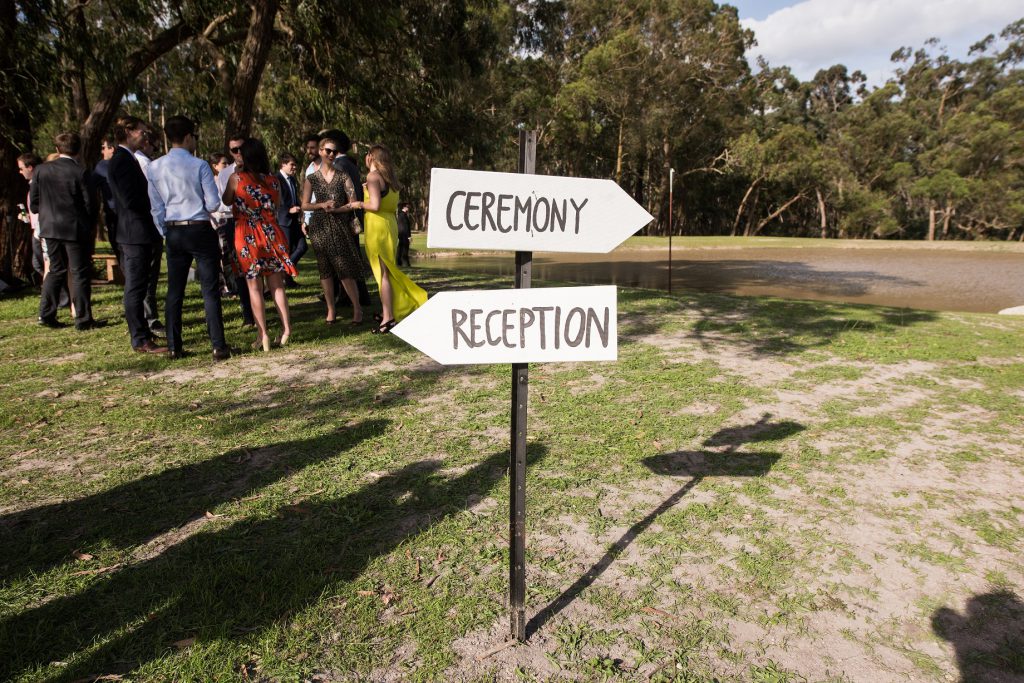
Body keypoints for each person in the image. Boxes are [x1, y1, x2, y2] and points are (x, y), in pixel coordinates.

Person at [147, 115, 229, 361]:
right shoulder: (199, 165)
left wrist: (165, 229)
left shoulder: (154, 167)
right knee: (209, 288)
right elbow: (214, 202)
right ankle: (218, 345)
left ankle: (174, 346)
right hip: (199, 226)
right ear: (187, 137)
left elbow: (156, 206)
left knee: (175, 290)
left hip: (173, 229)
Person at [222, 137, 296, 351]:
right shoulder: (273, 180)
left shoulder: (237, 178)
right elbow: (278, 203)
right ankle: (286, 329)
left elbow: (226, 201)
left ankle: (262, 335)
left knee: (254, 287)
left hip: (246, 234)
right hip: (272, 232)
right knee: (277, 285)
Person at [346, 144, 425, 333]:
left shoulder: (373, 177)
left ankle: (389, 317)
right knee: (386, 271)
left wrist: (357, 203)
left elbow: (374, 205)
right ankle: (387, 311)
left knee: (383, 274)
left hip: (377, 227)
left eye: (367, 155)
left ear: (371, 157)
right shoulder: (391, 179)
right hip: (390, 225)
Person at [29, 132, 102, 330]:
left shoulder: (41, 170)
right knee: (78, 273)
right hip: (74, 229)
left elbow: (34, 202)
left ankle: (46, 313)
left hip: (50, 228)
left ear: (57, 149)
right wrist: (89, 224)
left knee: (56, 269)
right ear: (79, 150)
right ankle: (83, 318)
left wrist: (43, 213)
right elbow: (90, 204)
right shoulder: (80, 172)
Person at [108, 116, 167, 353]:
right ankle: (140, 338)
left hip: (139, 231)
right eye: (142, 132)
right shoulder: (121, 160)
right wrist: (153, 203)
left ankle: (142, 333)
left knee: (141, 286)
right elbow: (129, 199)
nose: (145, 136)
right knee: (135, 287)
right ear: (128, 131)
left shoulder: (129, 158)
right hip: (134, 233)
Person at [300, 137, 366, 326]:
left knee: (344, 270)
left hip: (339, 227)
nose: (331, 154)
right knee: (325, 271)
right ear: (320, 151)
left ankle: (357, 308)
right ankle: (331, 309)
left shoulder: (343, 176)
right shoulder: (311, 178)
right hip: (319, 227)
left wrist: (337, 209)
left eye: (334, 152)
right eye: (328, 151)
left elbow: (353, 203)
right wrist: (321, 205)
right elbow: (305, 204)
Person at [215, 134, 256, 327]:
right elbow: (224, 202)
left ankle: (260, 311)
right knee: (239, 269)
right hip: (233, 223)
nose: (239, 153)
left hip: (256, 223)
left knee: (258, 269)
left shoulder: (259, 170)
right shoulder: (225, 175)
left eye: (241, 148)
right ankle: (248, 313)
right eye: (234, 150)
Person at [275, 152, 305, 284]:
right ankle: (286, 276)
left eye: (295, 165)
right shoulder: (276, 179)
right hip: (283, 220)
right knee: (286, 251)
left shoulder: (292, 179)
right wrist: (288, 209)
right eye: (292, 164)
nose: (295, 168)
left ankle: (285, 272)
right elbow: (275, 201)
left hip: (294, 220)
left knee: (302, 247)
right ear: (283, 164)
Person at [16, 153, 44, 283]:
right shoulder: (34, 185)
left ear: (30, 167)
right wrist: (28, 217)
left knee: (42, 264)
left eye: (21, 168)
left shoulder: (38, 185)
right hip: (37, 229)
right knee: (39, 264)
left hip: (42, 231)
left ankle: (61, 294)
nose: (20, 172)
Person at [92, 137, 119, 260]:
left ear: (111, 149)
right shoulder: (129, 162)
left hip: (115, 214)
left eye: (104, 148)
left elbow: (90, 186)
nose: (102, 151)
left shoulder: (103, 166)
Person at [396, 202, 412, 267]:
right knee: (404, 250)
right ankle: (406, 264)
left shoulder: (400, 215)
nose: (408, 208)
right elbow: (405, 227)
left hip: (401, 235)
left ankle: (398, 263)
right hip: (404, 235)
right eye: (407, 207)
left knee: (400, 249)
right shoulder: (403, 215)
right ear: (404, 207)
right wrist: (409, 236)